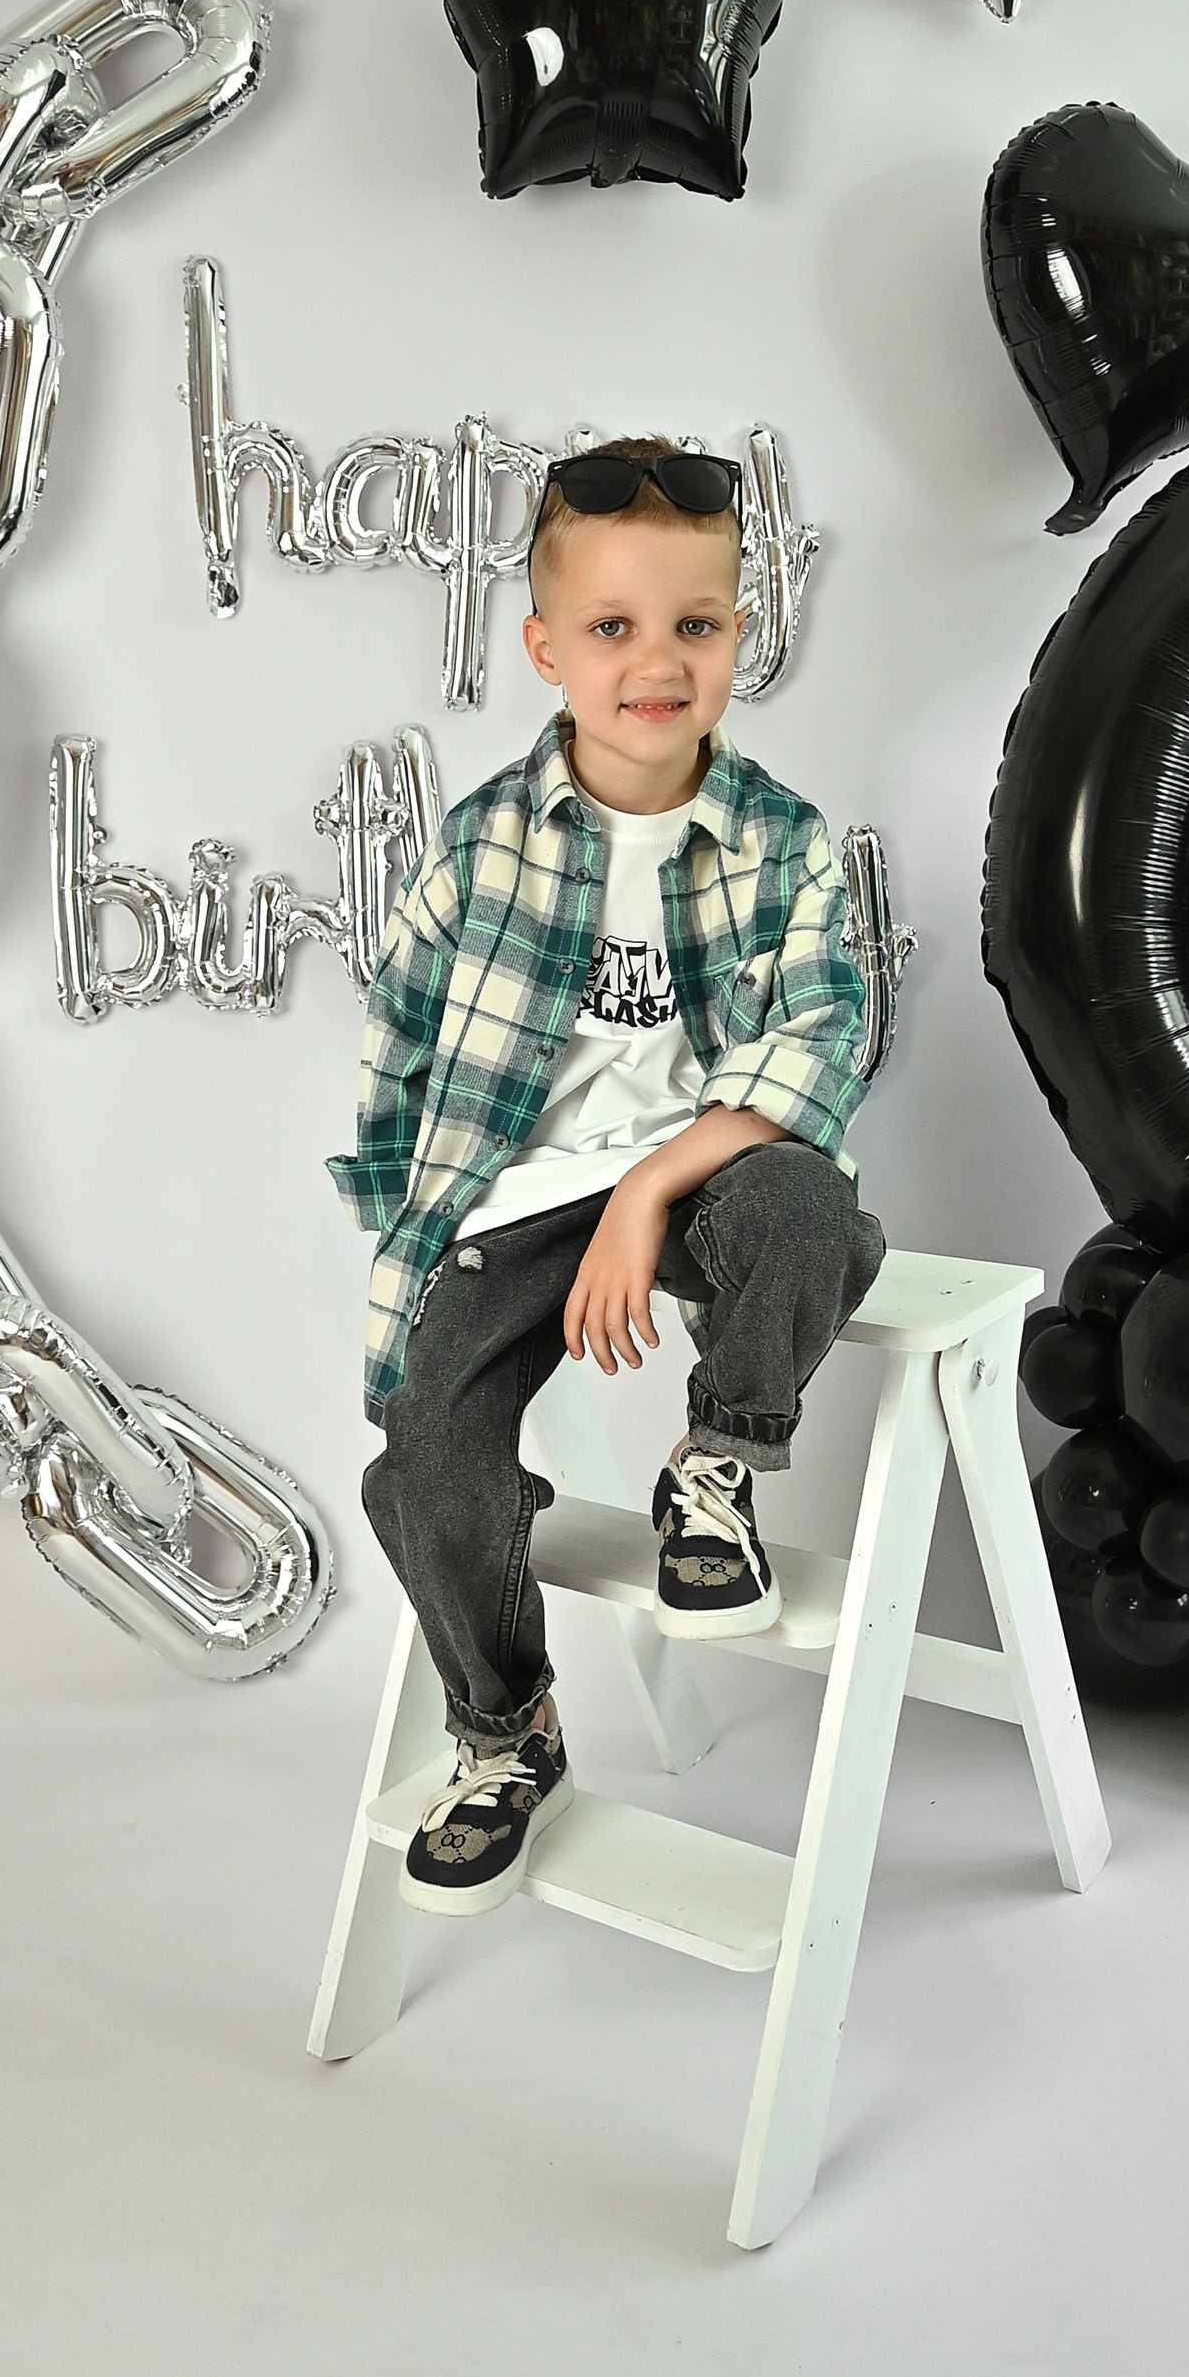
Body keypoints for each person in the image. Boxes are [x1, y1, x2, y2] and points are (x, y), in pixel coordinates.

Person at [329, 438, 885, 1917]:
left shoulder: (781, 844)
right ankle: (507, 1731)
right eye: (613, 627)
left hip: (708, 1178)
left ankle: (717, 1467)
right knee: (425, 1461)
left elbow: (821, 1043)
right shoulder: (480, 849)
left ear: (740, 635)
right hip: (517, 1199)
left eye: (694, 624)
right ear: (545, 649)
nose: (657, 663)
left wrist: (645, 1196)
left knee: (812, 1211)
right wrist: (416, 1226)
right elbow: (397, 1047)